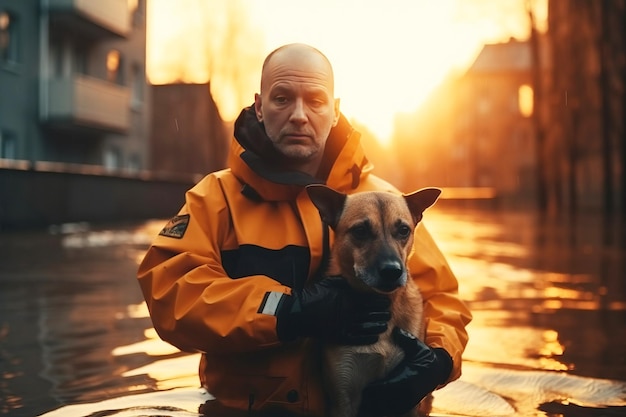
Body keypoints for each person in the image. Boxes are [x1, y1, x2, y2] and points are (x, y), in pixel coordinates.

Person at [137, 43, 472, 416]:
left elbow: (443, 298)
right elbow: (171, 295)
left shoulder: (387, 206)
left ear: (334, 111)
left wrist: (438, 361)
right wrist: (288, 310)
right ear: (260, 108)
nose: (299, 115)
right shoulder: (215, 199)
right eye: (282, 99)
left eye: (315, 100)